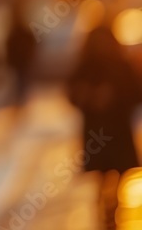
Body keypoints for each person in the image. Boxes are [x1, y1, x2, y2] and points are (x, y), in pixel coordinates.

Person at [66, 25, 142, 230]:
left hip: (116, 132)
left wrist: (113, 97)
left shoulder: (120, 64)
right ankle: (105, 214)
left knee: (116, 175)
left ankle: (111, 212)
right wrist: (90, 97)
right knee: (102, 177)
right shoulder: (86, 65)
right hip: (98, 133)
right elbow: (72, 94)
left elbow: (135, 93)